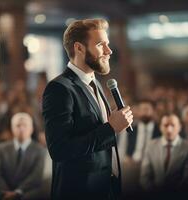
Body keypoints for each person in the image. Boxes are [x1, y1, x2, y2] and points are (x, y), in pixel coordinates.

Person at [42, 18, 133, 200]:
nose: (109, 51)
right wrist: (111, 129)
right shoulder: (59, 89)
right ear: (79, 48)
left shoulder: (95, 83)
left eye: (107, 44)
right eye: (101, 44)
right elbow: (59, 150)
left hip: (107, 188)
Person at [140, 113, 188, 199]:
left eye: (173, 125)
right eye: (166, 125)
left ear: (179, 127)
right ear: (160, 127)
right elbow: (144, 178)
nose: (169, 129)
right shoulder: (150, 146)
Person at [0, 112, 46, 200]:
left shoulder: (39, 150)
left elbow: (36, 176)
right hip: (4, 194)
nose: (21, 128)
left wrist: (17, 192)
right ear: (12, 128)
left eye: (25, 125)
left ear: (31, 128)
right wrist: (7, 192)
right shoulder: (1, 148)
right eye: (18, 125)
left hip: (28, 193)